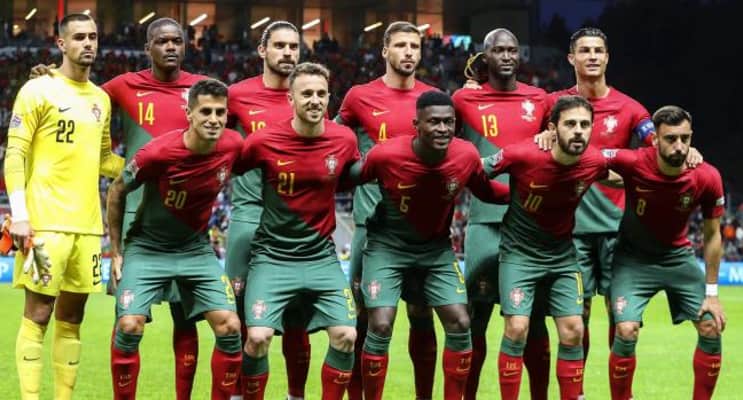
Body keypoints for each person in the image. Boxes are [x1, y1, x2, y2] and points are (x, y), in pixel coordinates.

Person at [352, 90, 509, 400]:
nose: (442, 128)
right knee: (380, 325)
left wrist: (525, 195)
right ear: (417, 125)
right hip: (387, 247)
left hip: (436, 250)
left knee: (461, 321)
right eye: (434, 122)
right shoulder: (386, 155)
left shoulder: (465, 155)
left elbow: (486, 191)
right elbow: (348, 178)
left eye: (448, 122)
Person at [5, 13, 124, 400]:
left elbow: (105, 160)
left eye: (93, 37)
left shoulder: (101, 99)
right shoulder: (38, 90)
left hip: (87, 228)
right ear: (61, 44)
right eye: (79, 37)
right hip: (44, 225)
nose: (88, 43)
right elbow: (15, 154)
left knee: (73, 318)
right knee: (38, 314)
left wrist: (151, 164)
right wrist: (19, 215)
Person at [107, 79, 243, 400]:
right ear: (189, 113)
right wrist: (116, 251)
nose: (214, 119)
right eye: (205, 111)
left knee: (230, 327)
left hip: (196, 250)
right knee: (129, 326)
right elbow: (116, 190)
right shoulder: (158, 152)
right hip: (148, 248)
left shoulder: (234, 145)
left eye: (220, 112)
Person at [234, 62, 358, 399]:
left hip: (321, 257)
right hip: (272, 256)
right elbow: (227, 167)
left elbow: (353, 175)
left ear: (329, 98)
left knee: (346, 335)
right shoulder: (263, 141)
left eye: (321, 94)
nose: (315, 100)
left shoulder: (344, 139)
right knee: (257, 337)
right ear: (290, 99)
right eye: (306, 94)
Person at [484, 95, 620, 400]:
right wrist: (502, 197)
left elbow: (621, 175)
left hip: (562, 258)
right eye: (570, 124)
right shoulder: (522, 154)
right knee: (517, 328)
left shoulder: (594, 161)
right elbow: (474, 171)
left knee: (574, 329)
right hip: (519, 256)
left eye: (585, 124)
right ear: (552, 128)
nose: (578, 131)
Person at [335, 21, 438, 399]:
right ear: (384, 51)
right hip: (371, 226)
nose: (409, 52)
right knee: (364, 319)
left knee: (421, 313)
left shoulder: (434, 99)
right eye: (401, 45)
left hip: (422, 231)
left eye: (415, 46)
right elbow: (332, 137)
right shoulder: (359, 97)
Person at [452, 28, 551, 400]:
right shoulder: (463, 99)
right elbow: (446, 144)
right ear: (485, 56)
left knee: (534, 319)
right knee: (474, 317)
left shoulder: (539, 99)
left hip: (531, 222)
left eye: (513, 50)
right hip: (484, 221)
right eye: (499, 50)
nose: (507, 56)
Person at [604, 106, 726, 400]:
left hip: (677, 258)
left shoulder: (707, 176)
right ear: (655, 139)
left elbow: (712, 235)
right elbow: (588, 157)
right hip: (632, 260)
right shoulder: (633, 162)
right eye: (671, 139)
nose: (679, 146)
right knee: (626, 330)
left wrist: (712, 293)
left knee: (711, 326)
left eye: (685, 138)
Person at [225, 21, 312, 400]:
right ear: (262, 50)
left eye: (294, 46)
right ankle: (238, 394)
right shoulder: (237, 96)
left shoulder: (310, 95)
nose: (287, 52)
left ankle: (296, 395)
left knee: (296, 321)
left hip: (296, 222)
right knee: (236, 321)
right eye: (279, 45)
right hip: (249, 217)